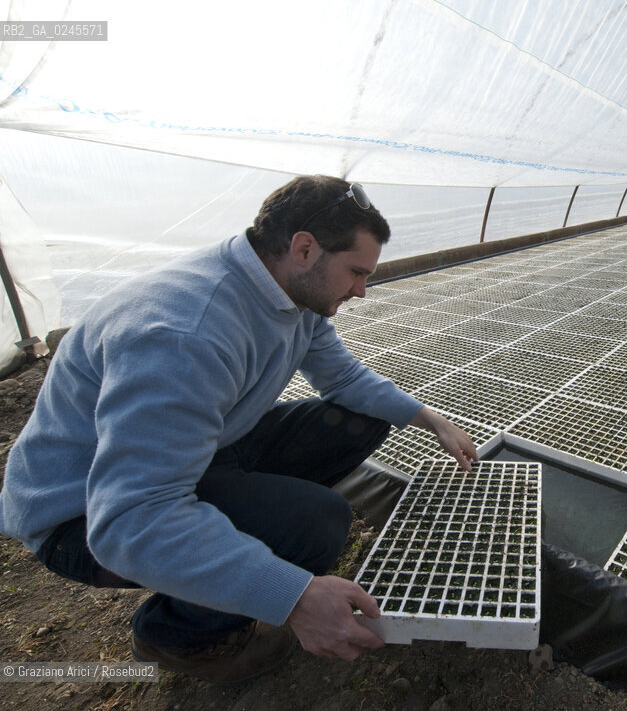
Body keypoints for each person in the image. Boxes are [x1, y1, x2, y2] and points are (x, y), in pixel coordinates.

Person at [0, 175, 479, 684]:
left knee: (363, 419)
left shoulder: (290, 290)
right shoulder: (187, 335)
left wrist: (429, 418)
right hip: (84, 512)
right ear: (304, 249)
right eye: (356, 272)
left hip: (196, 452)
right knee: (318, 523)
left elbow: (342, 377)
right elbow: (130, 521)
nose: (361, 290)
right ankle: (176, 636)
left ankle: (245, 535)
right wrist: (291, 594)